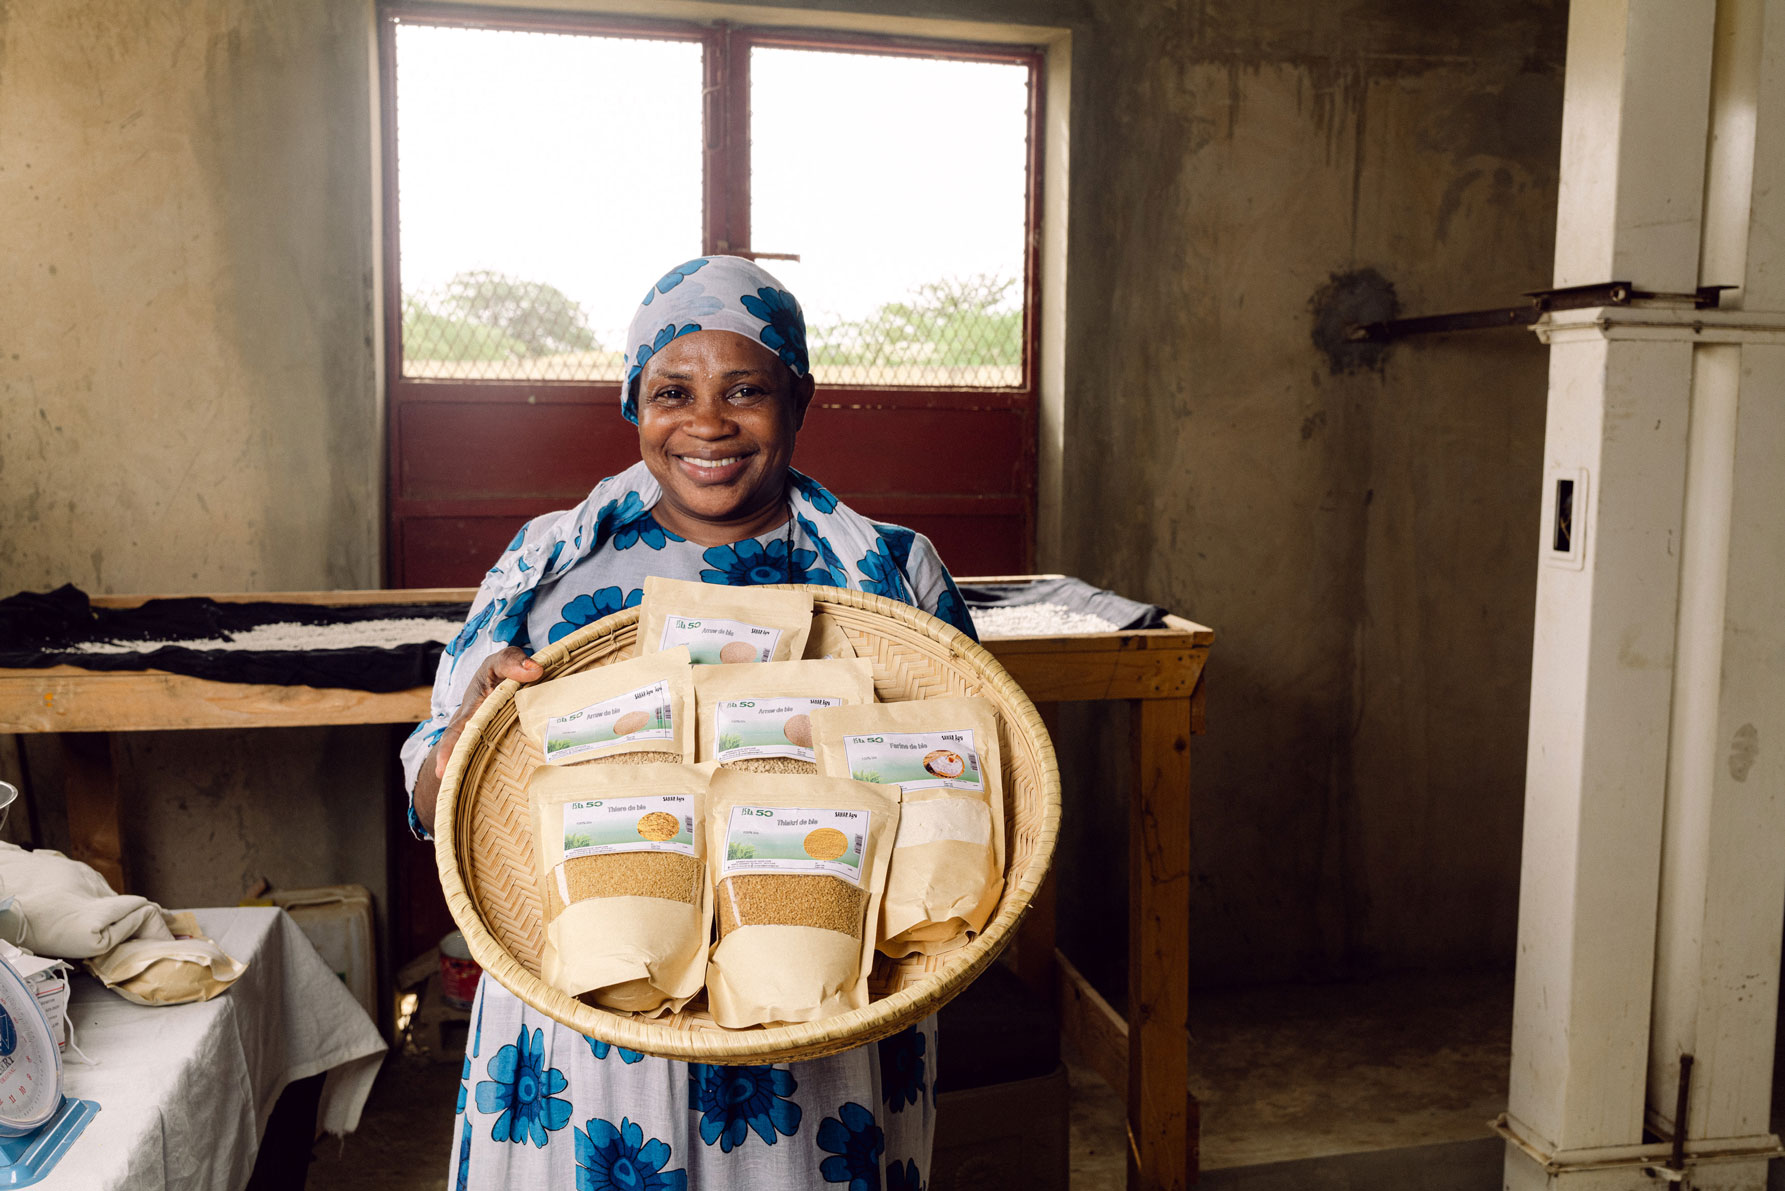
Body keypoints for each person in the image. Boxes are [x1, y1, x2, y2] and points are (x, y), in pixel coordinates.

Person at [401, 255, 978, 1190]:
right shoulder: (548, 566)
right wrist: (469, 733)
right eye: (673, 390)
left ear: (799, 398)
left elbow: (971, 808)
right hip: (588, 1020)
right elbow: (431, 797)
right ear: (635, 403)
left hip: (815, 1013)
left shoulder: (889, 576)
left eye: (745, 389)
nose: (707, 423)